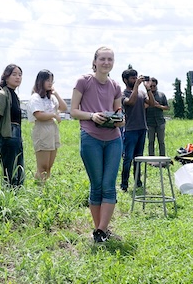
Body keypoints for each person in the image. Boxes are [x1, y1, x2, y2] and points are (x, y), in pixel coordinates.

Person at [71, 46, 125, 243]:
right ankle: (100, 231)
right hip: (91, 137)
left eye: (110, 59)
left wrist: (120, 119)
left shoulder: (115, 86)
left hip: (113, 139)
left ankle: (101, 231)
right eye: (102, 59)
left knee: (109, 186)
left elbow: (118, 111)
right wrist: (92, 116)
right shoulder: (83, 82)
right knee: (97, 186)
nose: (106, 62)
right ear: (94, 61)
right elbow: (73, 111)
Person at [27, 69, 68, 183]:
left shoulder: (51, 98)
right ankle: (39, 190)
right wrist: (54, 115)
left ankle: (43, 188)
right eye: (47, 80)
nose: (50, 83)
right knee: (43, 167)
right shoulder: (35, 97)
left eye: (51, 81)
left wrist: (56, 93)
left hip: (52, 129)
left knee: (49, 166)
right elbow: (38, 115)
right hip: (42, 129)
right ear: (41, 81)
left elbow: (64, 108)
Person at [119, 67, 155, 192]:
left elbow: (152, 103)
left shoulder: (141, 92)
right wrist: (136, 87)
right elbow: (131, 102)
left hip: (142, 128)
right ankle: (124, 184)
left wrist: (148, 88)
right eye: (132, 78)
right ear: (125, 80)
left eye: (136, 77)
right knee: (128, 158)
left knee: (138, 158)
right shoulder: (123, 94)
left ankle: (138, 181)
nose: (135, 80)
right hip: (130, 130)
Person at [0, 64, 25, 187]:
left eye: (20, 75)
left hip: (16, 135)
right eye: (14, 74)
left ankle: (17, 197)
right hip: (7, 135)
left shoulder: (14, 95)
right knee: (10, 171)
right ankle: (8, 197)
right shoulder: (2, 95)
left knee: (19, 170)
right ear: (6, 77)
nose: (18, 77)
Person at [147, 77, 170, 157]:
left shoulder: (161, 95)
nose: (153, 87)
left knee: (161, 141)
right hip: (149, 122)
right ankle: (151, 159)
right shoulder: (146, 95)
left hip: (160, 122)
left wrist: (159, 106)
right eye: (151, 86)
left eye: (154, 86)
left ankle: (162, 158)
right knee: (151, 142)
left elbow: (167, 107)